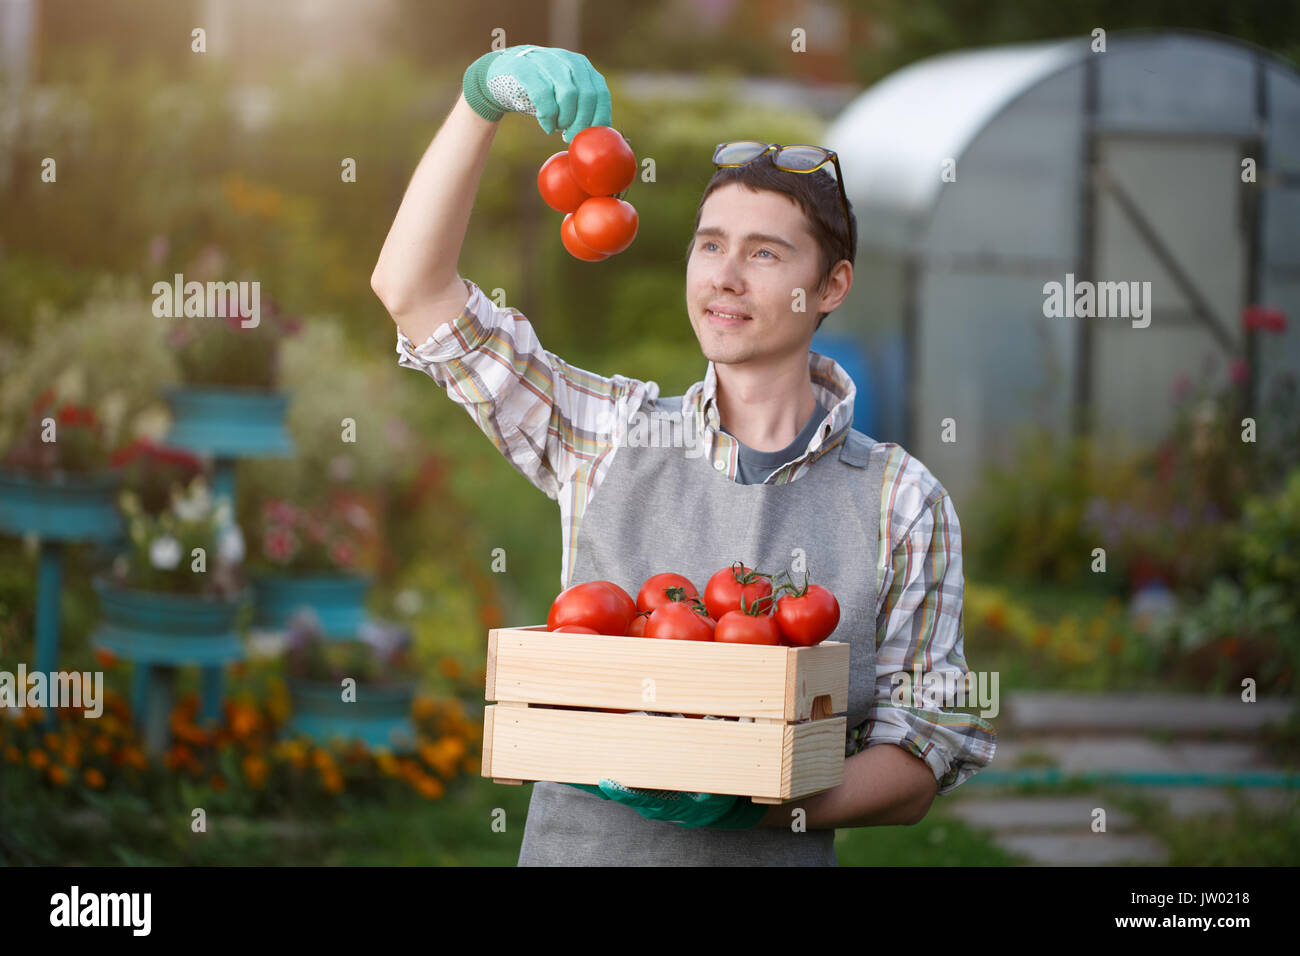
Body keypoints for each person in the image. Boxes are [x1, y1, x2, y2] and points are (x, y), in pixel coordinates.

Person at [370, 44, 997, 866]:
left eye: (765, 254)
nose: (726, 277)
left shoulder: (902, 502)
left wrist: (761, 812)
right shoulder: (606, 433)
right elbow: (414, 294)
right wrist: (479, 101)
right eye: (710, 245)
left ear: (833, 286)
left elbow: (921, 753)